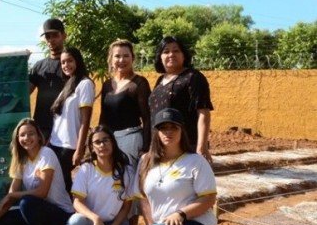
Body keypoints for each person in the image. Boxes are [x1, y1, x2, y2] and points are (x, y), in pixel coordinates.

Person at [121, 108, 218, 225]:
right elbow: (143, 199)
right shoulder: (146, 161)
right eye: (163, 128)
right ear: (156, 132)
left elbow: (208, 199)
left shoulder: (195, 161)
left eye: (173, 127)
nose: (168, 132)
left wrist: (181, 214)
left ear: (182, 131)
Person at [67, 126, 133, 225]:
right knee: (74, 222)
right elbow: (77, 202)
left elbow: (126, 207)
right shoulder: (86, 169)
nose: (102, 145)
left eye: (106, 140)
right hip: (92, 223)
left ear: (113, 143)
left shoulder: (126, 171)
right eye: (97, 142)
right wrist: (96, 219)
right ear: (92, 147)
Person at [148, 36, 214, 162]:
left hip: (186, 145)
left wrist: (201, 146)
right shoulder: (160, 81)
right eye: (166, 51)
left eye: (176, 51)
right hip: (160, 146)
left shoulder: (193, 77)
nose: (171, 54)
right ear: (160, 57)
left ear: (184, 55)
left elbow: (203, 112)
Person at [48, 46, 94, 194]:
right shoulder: (69, 84)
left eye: (69, 61)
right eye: (63, 62)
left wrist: (79, 150)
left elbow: (85, 121)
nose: (66, 65)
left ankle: (71, 214)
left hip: (69, 146)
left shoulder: (85, 84)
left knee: (64, 185)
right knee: (57, 184)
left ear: (78, 61)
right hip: (55, 143)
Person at [100, 39, 151, 167]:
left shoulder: (139, 83)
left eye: (126, 56)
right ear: (111, 59)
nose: (121, 60)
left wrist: (146, 147)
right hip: (109, 140)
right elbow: (103, 116)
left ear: (132, 58)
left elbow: (147, 117)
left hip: (131, 140)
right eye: (117, 56)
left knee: (128, 179)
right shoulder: (106, 85)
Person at [29, 18, 67, 140]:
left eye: (55, 35)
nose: (51, 40)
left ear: (64, 36)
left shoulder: (71, 65)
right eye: (47, 37)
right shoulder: (39, 66)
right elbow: (24, 92)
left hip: (66, 126)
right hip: (42, 127)